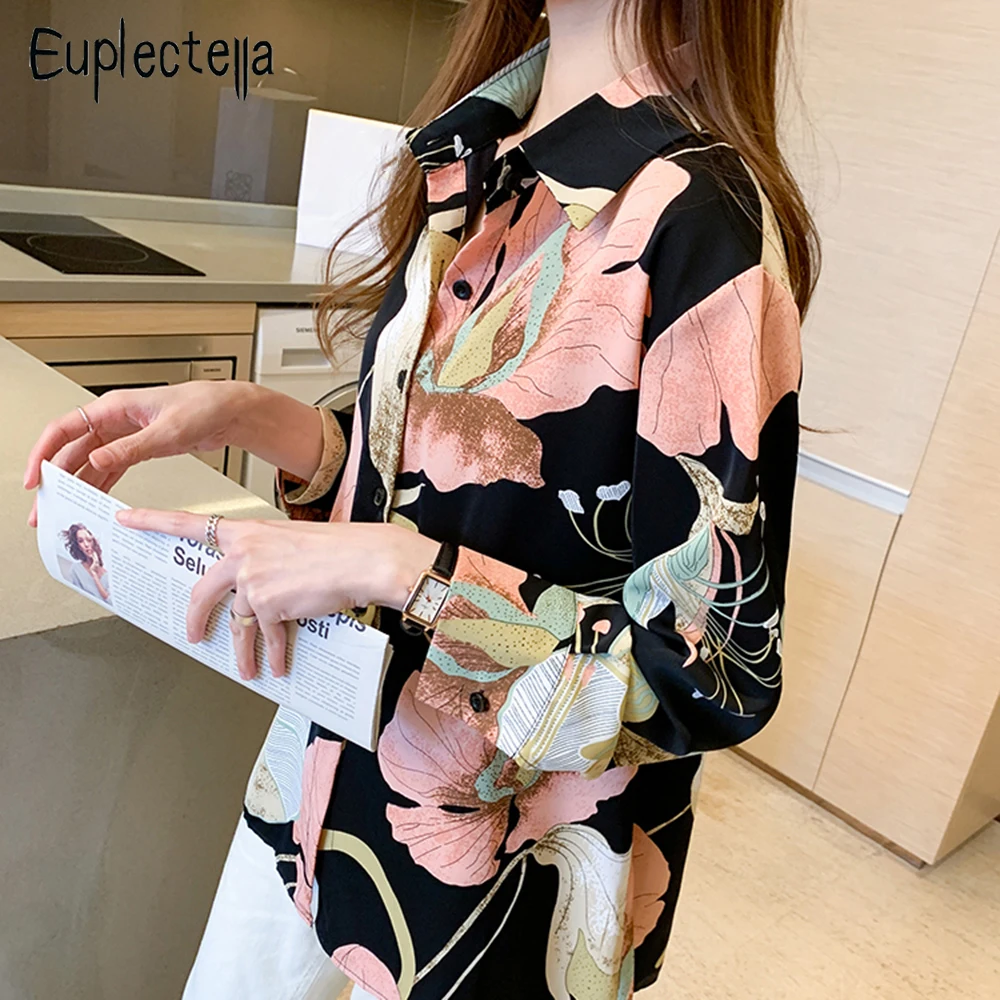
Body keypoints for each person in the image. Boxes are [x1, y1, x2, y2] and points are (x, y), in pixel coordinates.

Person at [25, 0, 818, 996]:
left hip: (497, 870)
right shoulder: (477, 157)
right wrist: (262, 419)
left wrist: (399, 571)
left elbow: (712, 671)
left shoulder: (703, 224)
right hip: (321, 767)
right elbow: (438, 490)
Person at [60, 523, 111, 603]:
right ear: (78, 546)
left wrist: (94, 575)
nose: (86, 544)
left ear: (93, 542)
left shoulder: (107, 575)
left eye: (89, 540)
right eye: (81, 541)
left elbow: (110, 602)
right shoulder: (76, 569)